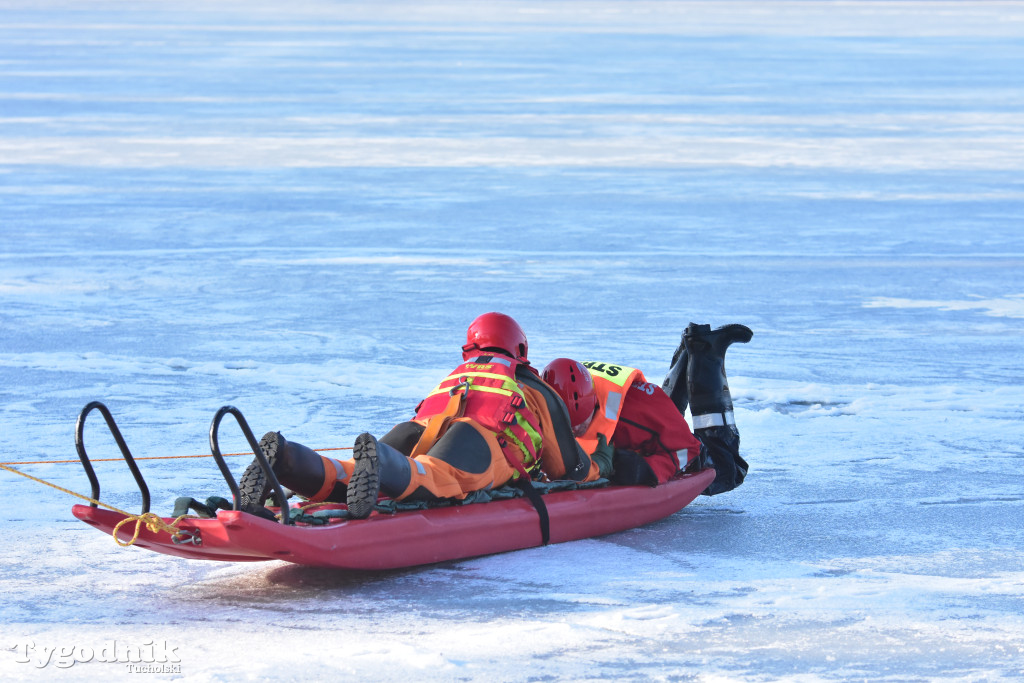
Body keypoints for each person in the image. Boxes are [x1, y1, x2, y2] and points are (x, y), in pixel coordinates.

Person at [238, 312, 601, 519]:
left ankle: (286, 459)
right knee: (439, 478)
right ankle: (382, 462)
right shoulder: (531, 384)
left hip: (416, 430)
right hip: (479, 442)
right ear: (520, 348)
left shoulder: (457, 375)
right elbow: (568, 468)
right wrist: (604, 459)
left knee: (349, 472)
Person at [542, 322, 752, 495]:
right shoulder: (559, 390)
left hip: (667, 433)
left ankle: (708, 350)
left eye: (580, 425)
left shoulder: (630, 420)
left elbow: (688, 450)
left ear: (593, 405)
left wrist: (646, 469)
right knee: (663, 416)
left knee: (727, 472)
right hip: (652, 409)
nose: (574, 432)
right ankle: (691, 347)